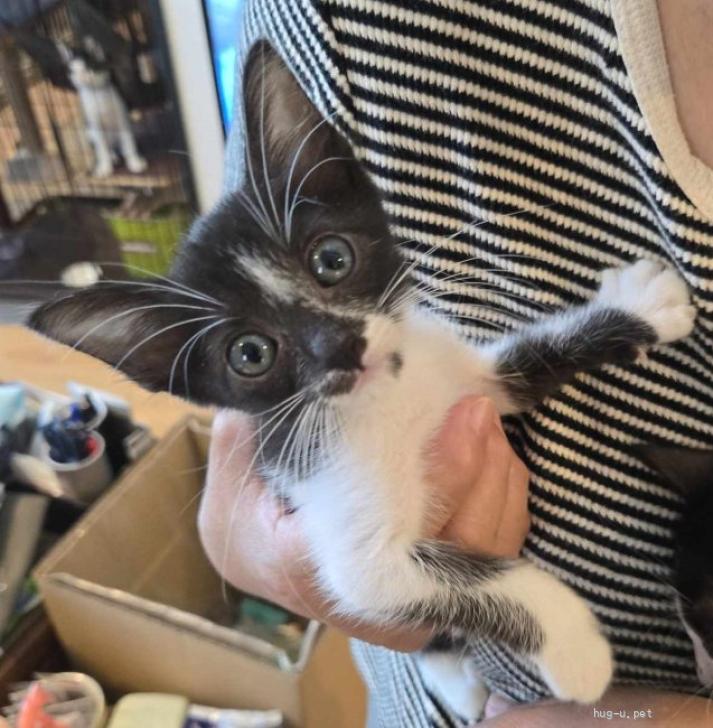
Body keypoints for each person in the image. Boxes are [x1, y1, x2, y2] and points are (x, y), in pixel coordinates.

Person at [199, 0, 713, 724]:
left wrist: (610, 326)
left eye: (332, 263)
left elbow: (488, 381)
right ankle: (443, 655)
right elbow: (365, 572)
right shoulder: (341, 24)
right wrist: (536, 615)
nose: (337, 340)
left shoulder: (402, 336)